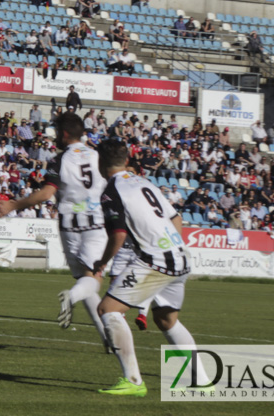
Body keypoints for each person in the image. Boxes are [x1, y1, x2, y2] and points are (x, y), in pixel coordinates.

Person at [91, 138, 202, 397]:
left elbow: (117, 235)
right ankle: (201, 380)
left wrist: (102, 262)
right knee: (166, 319)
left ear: (100, 163)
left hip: (158, 260)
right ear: (127, 160)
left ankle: (133, 381)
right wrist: (172, 248)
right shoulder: (143, 182)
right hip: (180, 257)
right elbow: (176, 218)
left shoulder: (111, 191)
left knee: (108, 310)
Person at [0, 112, 108, 350]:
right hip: (97, 223)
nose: (55, 137)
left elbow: (46, 194)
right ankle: (79, 303)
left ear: (64, 134)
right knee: (92, 279)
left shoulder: (59, 160)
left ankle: (106, 337)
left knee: (84, 279)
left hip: (70, 225)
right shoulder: (98, 156)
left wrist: (12, 205)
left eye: (56, 132)